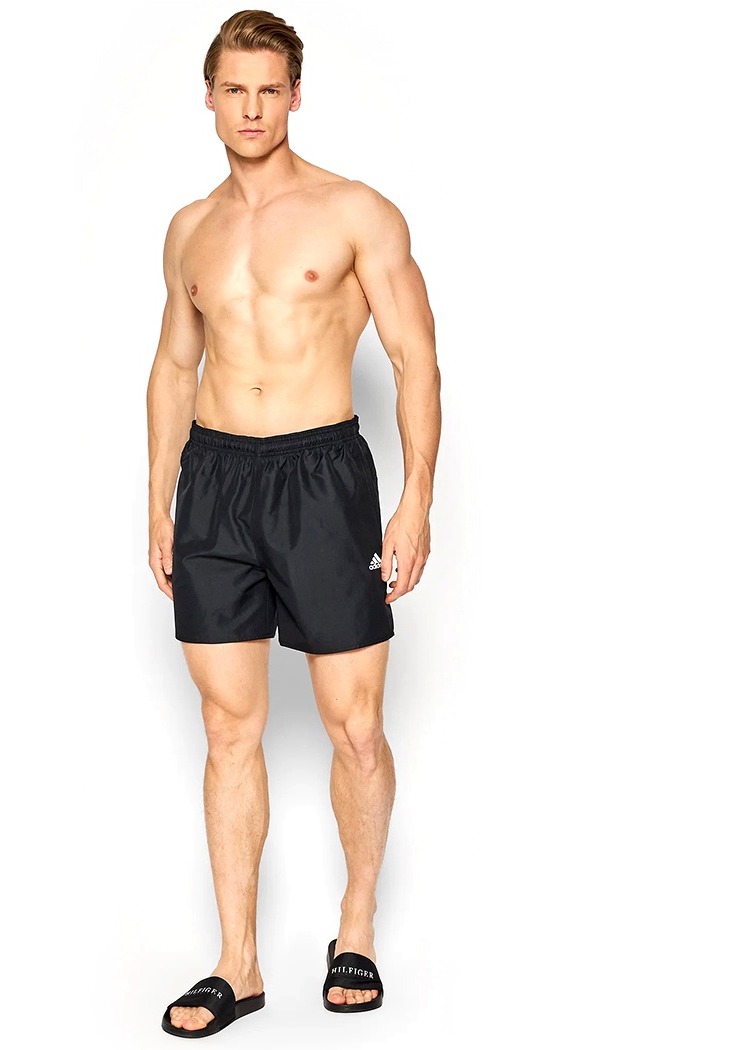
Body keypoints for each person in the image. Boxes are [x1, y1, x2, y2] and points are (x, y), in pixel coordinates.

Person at [146, 9, 441, 1038]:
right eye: (235, 89)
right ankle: (238, 964)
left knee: (354, 726)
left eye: (269, 89)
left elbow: (414, 358)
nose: (252, 108)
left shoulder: (355, 211)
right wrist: (158, 495)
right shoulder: (189, 228)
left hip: (322, 480)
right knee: (227, 728)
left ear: (295, 96)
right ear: (210, 97)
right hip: (216, 482)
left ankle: (355, 927)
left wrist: (416, 497)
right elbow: (173, 364)